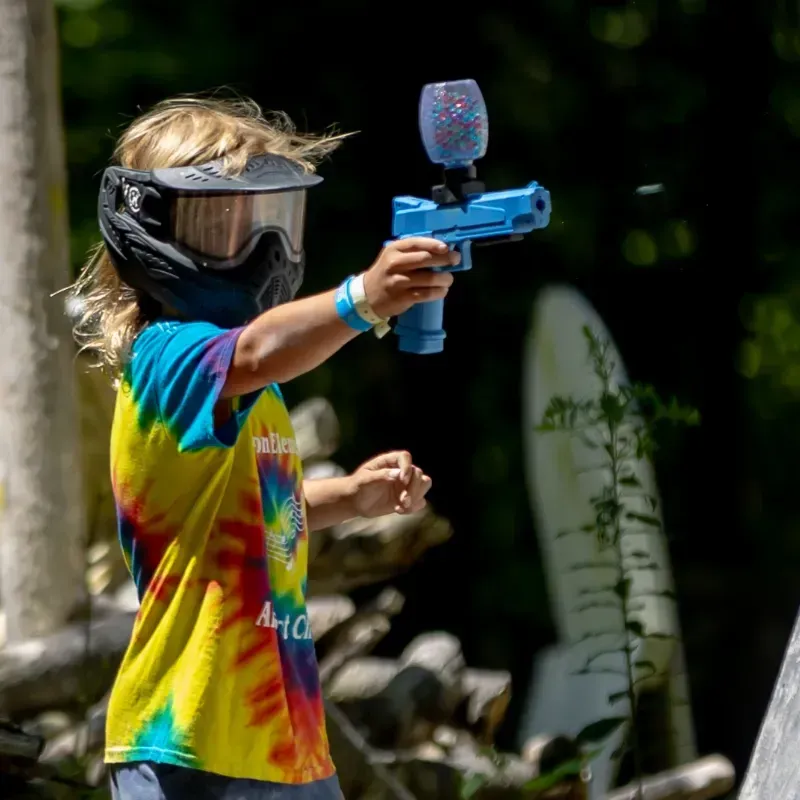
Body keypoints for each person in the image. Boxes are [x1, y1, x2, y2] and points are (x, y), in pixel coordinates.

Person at [71, 94, 458, 800]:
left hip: (284, 743)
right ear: (152, 228)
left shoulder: (252, 388)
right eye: (226, 224)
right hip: (189, 738)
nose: (263, 251)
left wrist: (352, 497)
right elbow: (258, 349)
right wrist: (362, 299)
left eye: (270, 222)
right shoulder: (168, 359)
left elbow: (256, 516)